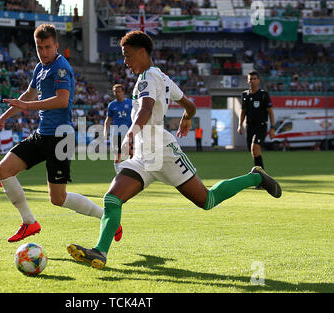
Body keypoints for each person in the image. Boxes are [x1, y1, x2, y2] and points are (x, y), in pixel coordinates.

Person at [66, 31, 282, 269]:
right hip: (143, 156)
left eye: (127, 55)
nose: (125, 61)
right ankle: (100, 252)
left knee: (207, 200)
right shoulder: (162, 77)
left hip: (163, 152)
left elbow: (145, 109)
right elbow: (189, 105)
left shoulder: (149, 78)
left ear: (142, 52)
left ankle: (255, 177)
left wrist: (129, 134)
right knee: (112, 199)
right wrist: (187, 117)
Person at [0, 24, 122, 243]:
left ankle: (107, 218)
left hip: (60, 138)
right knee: (2, 170)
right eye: (39, 47)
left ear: (56, 45)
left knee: (58, 198)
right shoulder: (39, 68)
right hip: (42, 135)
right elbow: (28, 95)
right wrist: (5, 116)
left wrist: (26, 107)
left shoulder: (61, 67)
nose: (43, 52)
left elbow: (62, 100)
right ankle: (28, 222)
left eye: (47, 47)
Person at [237, 71, 275, 170]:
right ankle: (261, 174)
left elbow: (270, 112)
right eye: (250, 79)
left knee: (255, 147)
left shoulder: (263, 95)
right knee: (253, 152)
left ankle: (260, 176)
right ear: (247, 81)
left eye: (254, 78)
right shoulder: (245, 95)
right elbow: (243, 111)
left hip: (261, 125)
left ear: (258, 80)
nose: (252, 81)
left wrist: (272, 128)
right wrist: (240, 125)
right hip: (249, 126)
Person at [104, 84, 132, 173]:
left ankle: (131, 172)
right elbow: (108, 120)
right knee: (117, 155)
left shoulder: (130, 103)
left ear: (123, 92)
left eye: (119, 91)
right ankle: (119, 175)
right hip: (116, 133)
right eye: (115, 92)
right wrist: (105, 132)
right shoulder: (112, 105)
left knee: (132, 153)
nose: (117, 93)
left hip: (129, 132)